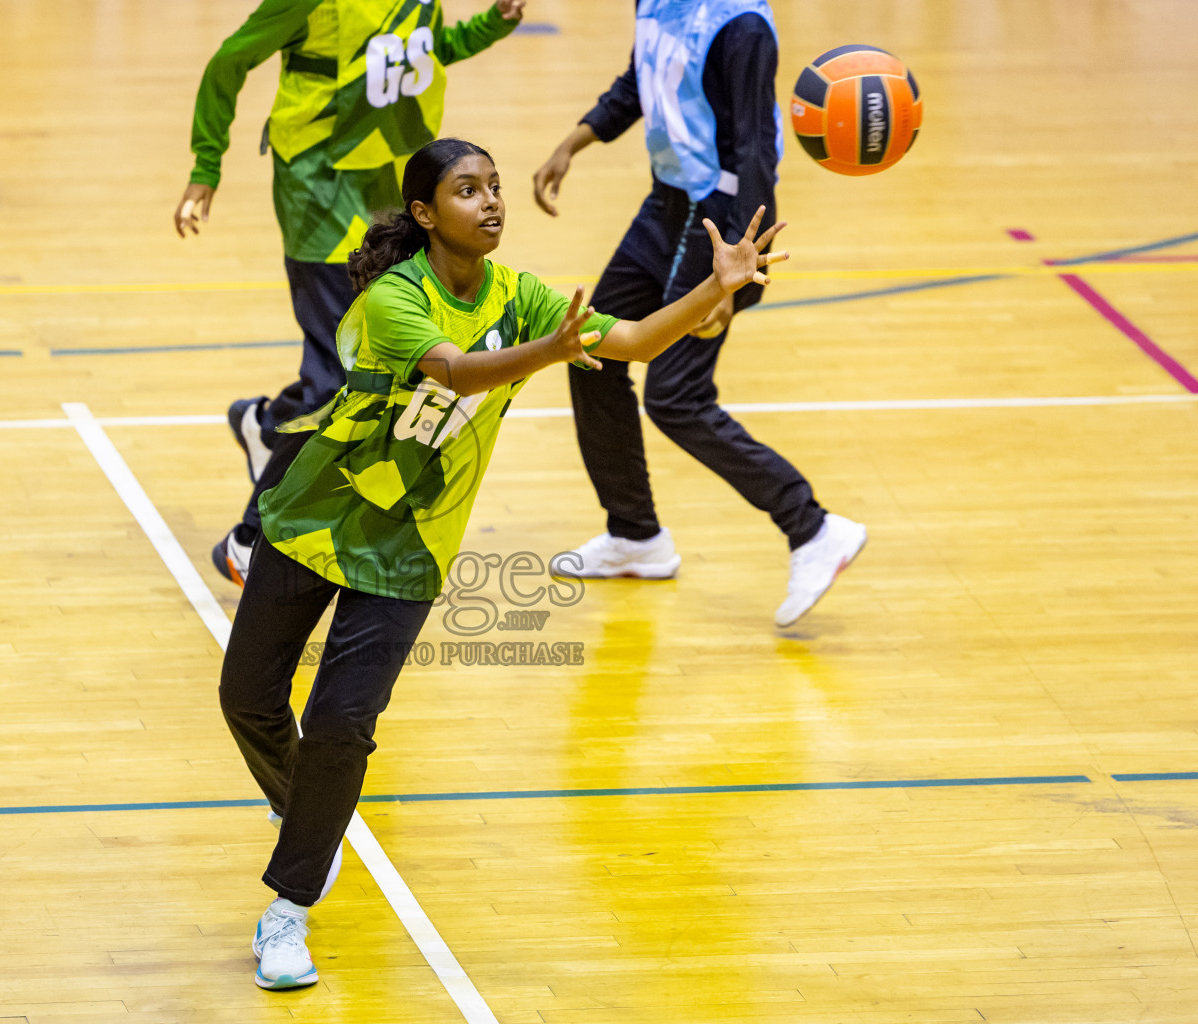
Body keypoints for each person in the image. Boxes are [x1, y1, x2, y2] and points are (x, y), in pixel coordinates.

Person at [220, 138, 786, 989]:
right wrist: (553, 353)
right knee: (246, 699)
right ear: (423, 214)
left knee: (341, 726)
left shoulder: (521, 296)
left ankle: (288, 908)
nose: (490, 202)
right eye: (465, 190)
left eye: (493, 187)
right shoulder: (394, 297)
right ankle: (309, 813)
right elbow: (454, 373)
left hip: (408, 546)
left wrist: (716, 288)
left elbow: (628, 341)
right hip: (313, 518)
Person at [531, 0, 866, 627]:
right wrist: (573, 142)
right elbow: (640, 81)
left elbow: (755, 153)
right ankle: (636, 536)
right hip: (666, 205)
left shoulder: (741, 25)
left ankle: (814, 528)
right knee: (589, 351)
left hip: (722, 220)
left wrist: (735, 279)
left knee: (677, 397)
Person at [175, 0, 528, 587]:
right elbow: (227, 62)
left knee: (357, 370)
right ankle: (249, 539)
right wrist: (205, 166)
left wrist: (493, 22)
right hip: (319, 195)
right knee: (342, 383)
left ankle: (266, 425)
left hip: (391, 197)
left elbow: (425, 53)